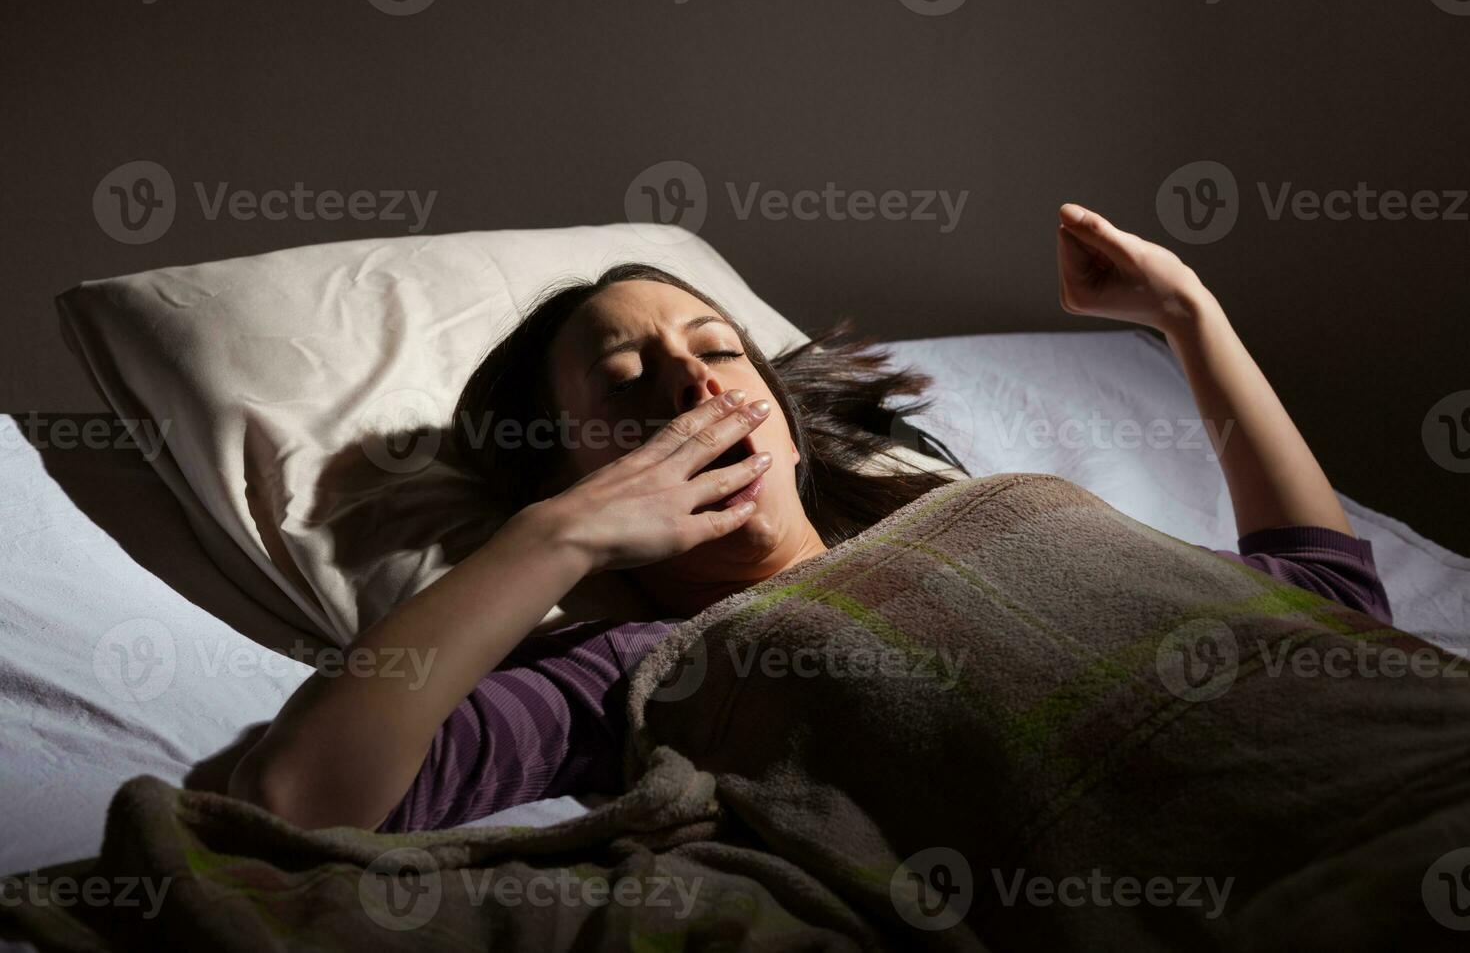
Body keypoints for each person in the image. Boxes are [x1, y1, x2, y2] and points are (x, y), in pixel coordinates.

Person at [228, 204, 1392, 832]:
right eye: (627, 380)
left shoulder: (979, 515)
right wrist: (559, 538)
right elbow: (302, 796)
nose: (691, 388)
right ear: (569, 469)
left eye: (717, 353)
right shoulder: (642, 669)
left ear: (782, 416)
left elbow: (1323, 616)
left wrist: (1187, 314)